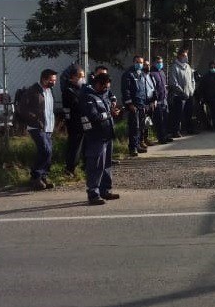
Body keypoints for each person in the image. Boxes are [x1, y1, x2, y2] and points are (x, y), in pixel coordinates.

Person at [79, 72, 121, 205]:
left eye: (108, 87)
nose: (106, 89)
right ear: (97, 84)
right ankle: (93, 193)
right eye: (104, 87)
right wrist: (110, 114)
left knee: (107, 164)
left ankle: (105, 190)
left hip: (107, 134)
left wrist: (113, 108)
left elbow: (109, 107)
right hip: (96, 136)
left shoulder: (103, 95)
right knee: (96, 166)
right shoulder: (88, 96)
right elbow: (94, 116)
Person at [20, 69, 58, 190]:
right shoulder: (33, 91)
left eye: (55, 80)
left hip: (48, 126)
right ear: (44, 79)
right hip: (36, 126)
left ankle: (43, 177)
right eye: (52, 80)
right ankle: (35, 176)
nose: (54, 82)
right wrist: (34, 118)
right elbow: (22, 108)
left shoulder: (49, 91)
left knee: (48, 152)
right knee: (46, 150)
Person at [122, 55, 150, 157]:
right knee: (134, 127)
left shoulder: (141, 74)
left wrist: (145, 103)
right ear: (134, 62)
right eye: (137, 62)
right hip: (133, 105)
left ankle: (138, 145)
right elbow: (126, 90)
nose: (140, 64)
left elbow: (144, 90)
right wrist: (129, 104)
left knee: (140, 127)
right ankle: (133, 148)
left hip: (141, 104)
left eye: (141, 62)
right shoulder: (128, 74)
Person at [61, 65, 86, 177]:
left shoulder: (82, 89)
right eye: (80, 76)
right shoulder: (69, 90)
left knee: (85, 145)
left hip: (84, 122)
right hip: (75, 123)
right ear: (73, 78)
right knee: (75, 146)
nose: (82, 79)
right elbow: (76, 106)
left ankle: (85, 166)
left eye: (83, 76)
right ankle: (69, 169)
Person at [169, 49, 196, 136]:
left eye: (186, 56)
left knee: (189, 113)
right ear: (179, 56)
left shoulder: (188, 66)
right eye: (184, 56)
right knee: (178, 114)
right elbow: (173, 83)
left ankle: (189, 129)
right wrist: (182, 93)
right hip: (179, 96)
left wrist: (192, 90)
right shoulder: (174, 67)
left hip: (189, 94)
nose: (186, 57)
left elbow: (192, 80)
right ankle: (176, 131)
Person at [149, 55, 170, 141]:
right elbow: (152, 88)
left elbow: (164, 85)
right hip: (157, 101)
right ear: (154, 63)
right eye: (158, 62)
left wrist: (166, 94)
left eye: (161, 62)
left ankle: (166, 136)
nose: (160, 64)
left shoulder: (162, 72)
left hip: (164, 99)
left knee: (166, 118)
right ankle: (161, 137)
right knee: (159, 120)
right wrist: (154, 99)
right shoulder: (152, 74)